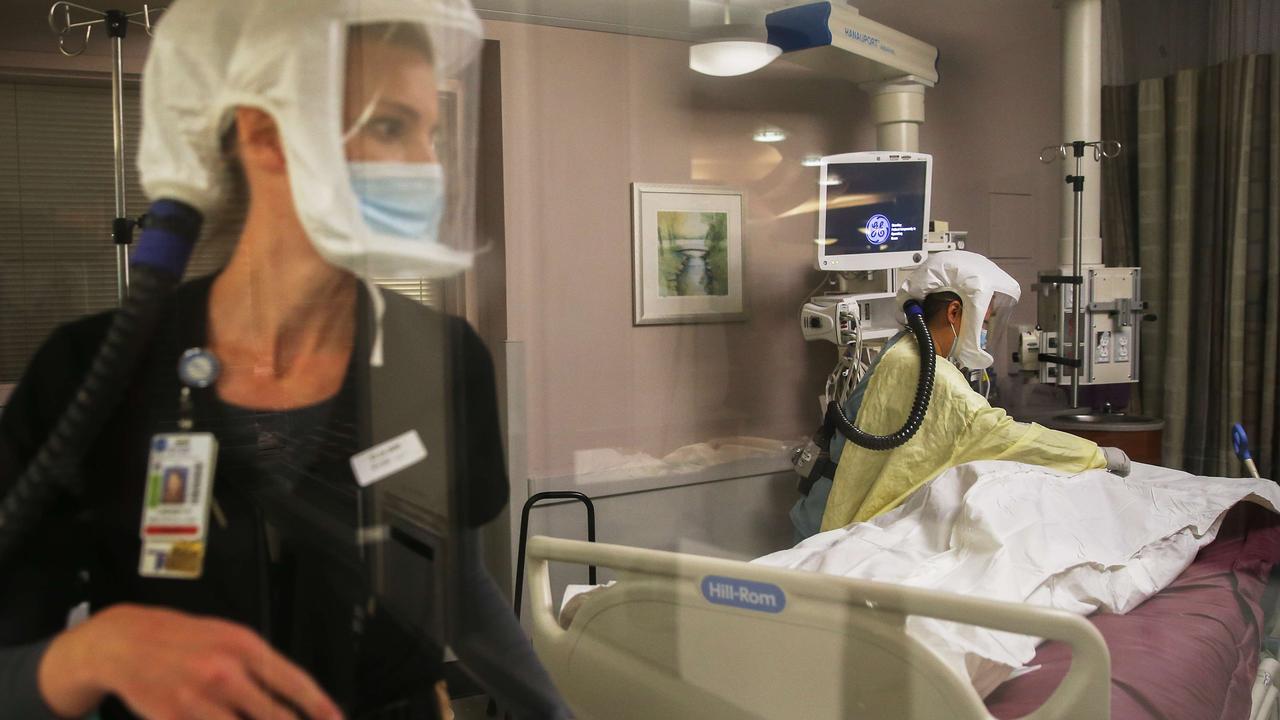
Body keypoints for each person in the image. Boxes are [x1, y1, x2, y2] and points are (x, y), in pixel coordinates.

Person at [0, 1, 568, 718]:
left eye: (433, 133)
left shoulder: (442, 361)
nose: (429, 168)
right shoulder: (92, 372)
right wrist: (89, 653)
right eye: (391, 127)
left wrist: (552, 713)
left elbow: (451, 585)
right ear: (267, 134)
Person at [792, 251, 1130, 539]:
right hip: (834, 521)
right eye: (985, 321)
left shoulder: (904, 349)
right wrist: (1095, 454)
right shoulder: (929, 372)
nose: (985, 332)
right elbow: (1002, 435)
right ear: (954, 313)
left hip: (828, 508)